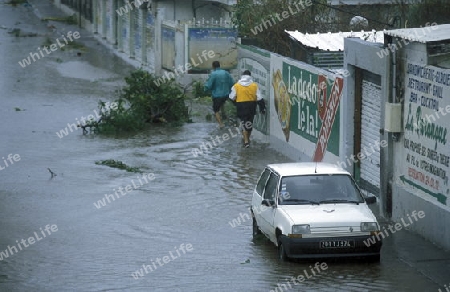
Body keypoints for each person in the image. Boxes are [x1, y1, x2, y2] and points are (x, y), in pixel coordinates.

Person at [229, 70, 266, 148]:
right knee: (249, 123)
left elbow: (231, 97)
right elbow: (259, 98)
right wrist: (262, 108)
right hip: (251, 106)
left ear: (242, 76)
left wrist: (236, 103)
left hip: (241, 106)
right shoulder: (254, 85)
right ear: (250, 76)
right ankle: (247, 140)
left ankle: (246, 141)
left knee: (244, 122)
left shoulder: (236, 85)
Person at [204, 61, 235, 128]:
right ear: (219, 65)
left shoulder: (213, 74)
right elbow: (232, 83)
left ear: (213, 66)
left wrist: (205, 90)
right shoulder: (226, 73)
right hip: (226, 94)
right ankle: (224, 116)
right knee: (222, 104)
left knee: (216, 110)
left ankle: (221, 124)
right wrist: (230, 91)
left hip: (217, 95)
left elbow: (209, 85)